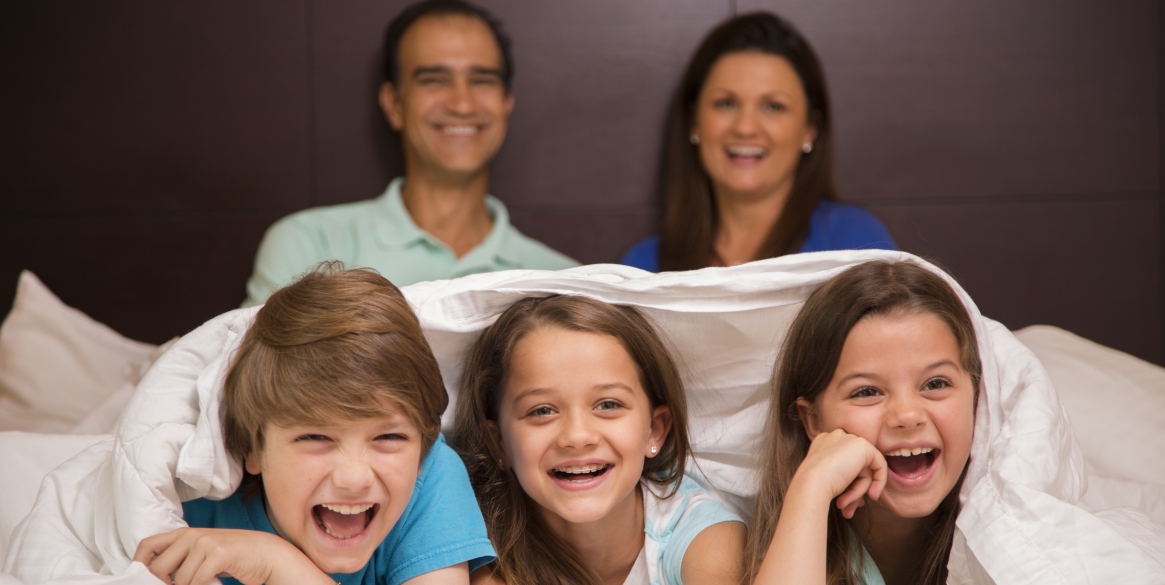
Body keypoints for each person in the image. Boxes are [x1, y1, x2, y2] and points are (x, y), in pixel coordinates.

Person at [135, 265, 496, 584]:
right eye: (315, 436)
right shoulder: (193, 501)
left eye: (388, 436)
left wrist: (276, 564)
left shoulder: (431, 479)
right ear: (252, 446)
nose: (353, 479)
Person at [243, 0, 577, 307]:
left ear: (507, 103)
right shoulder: (310, 247)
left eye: (482, 80)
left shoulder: (562, 283)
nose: (462, 104)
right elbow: (262, 372)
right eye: (434, 80)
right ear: (394, 104)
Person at [452, 295, 744, 585]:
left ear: (654, 430)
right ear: (498, 442)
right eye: (542, 410)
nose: (577, 437)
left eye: (608, 405)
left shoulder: (707, 541)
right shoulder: (478, 554)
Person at [744, 260, 979, 584]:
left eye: (936, 384)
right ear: (812, 421)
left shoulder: (1020, 533)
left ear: (977, 395)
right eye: (867, 391)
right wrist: (811, 486)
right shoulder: (761, 545)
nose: (907, 416)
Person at [621, 13, 895, 272]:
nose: (745, 127)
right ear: (694, 122)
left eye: (773, 107)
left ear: (810, 129)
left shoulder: (856, 243)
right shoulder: (643, 266)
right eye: (725, 103)